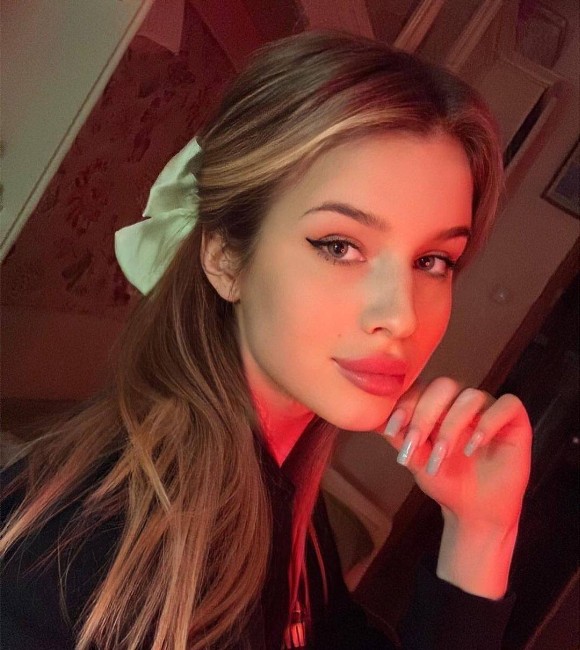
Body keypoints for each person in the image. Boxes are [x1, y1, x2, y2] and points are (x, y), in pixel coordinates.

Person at [0, 30, 532, 649]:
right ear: (225, 258)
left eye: (433, 261)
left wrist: (482, 531)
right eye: (340, 246)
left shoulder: (281, 496)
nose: (403, 316)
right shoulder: (77, 565)